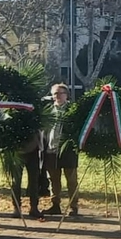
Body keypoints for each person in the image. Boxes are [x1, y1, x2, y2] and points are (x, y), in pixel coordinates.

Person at [42, 83, 79, 217]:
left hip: (68, 150)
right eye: (54, 94)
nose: (57, 96)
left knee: (71, 180)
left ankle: (74, 207)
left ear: (66, 95)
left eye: (60, 93)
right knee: (54, 179)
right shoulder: (48, 110)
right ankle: (55, 205)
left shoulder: (72, 110)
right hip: (52, 149)